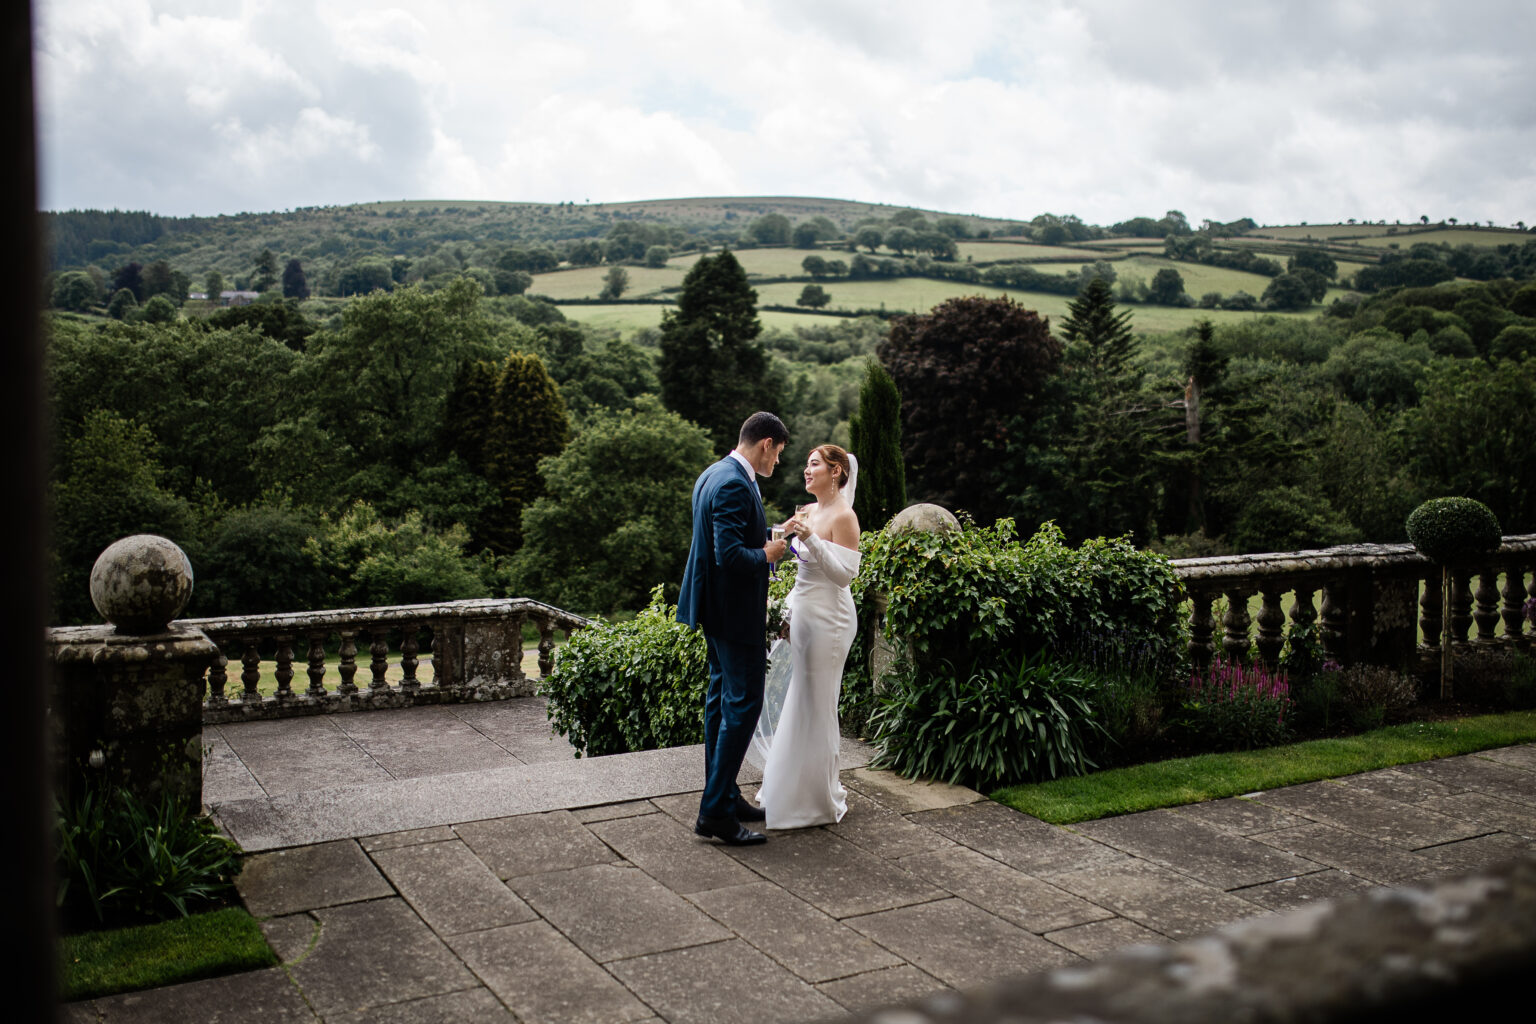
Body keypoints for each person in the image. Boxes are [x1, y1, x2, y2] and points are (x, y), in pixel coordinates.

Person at [677, 411, 790, 845]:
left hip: (715, 610)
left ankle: (724, 793)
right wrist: (770, 553)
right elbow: (730, 556)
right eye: (778, 454)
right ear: (765, 443)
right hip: (732, 613)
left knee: (720, 702)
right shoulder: (731, 483)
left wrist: (765, 542)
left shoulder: (714, 473)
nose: (777, 462)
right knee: (743, 704)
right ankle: (716, 814)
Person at [752, 444, 861, 829]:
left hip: (830, 620)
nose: (806, 470)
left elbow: (844, 576)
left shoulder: (844, 517)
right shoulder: (807, 510)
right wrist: (784, 610)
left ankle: (816, 798)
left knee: (818, 703)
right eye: (806, 464)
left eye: (814, 464)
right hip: (803, 617)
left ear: (836, 472)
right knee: (801, 699)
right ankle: (789, 789)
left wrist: (812, 538)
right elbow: (786, 556)